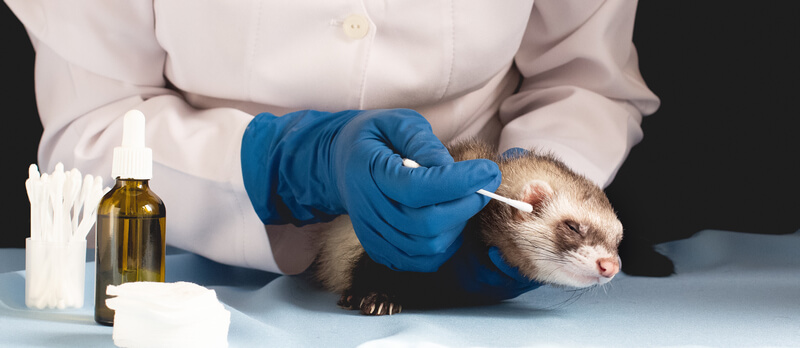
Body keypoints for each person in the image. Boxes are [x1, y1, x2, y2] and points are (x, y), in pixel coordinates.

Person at [6, 1, 659, 299]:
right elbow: (90, 129)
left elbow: (583, 79)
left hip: (467, 229)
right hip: (197, 266)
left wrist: (511, 221)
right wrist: (285, 164)